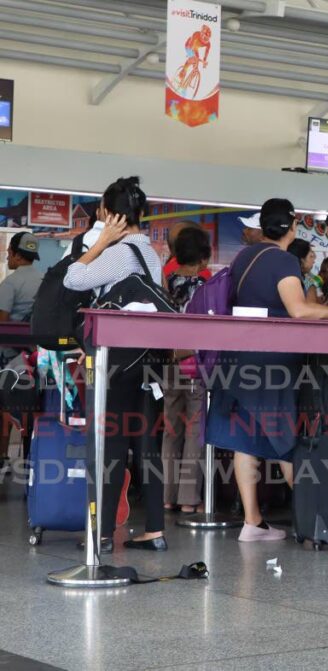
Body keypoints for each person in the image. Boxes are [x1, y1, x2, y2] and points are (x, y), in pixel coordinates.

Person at [206, 198, 328, 542]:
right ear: (293, 227)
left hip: (239, 356)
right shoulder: (284, 260)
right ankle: (317, 522)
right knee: (286, 437)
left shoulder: (245, 256)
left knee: (246, 438)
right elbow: (298, 310)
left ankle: (252, 522)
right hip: (271, 362)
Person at [63, 176, 168, 552]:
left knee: (110, 444)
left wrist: (102, 241)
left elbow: (73, 278)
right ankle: (155, 529)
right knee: (146, 445)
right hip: (148, 362)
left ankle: (102, 533)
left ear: (109, 214)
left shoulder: (120, 253)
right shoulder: (151, 254)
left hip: (118, 362)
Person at [162, 226, 212, 513]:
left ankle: (166, 496)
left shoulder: (164, 283)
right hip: (194, 364)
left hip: (168, 362)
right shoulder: (205, 288)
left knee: (171, 430)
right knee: (194, 430)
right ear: (203, 259)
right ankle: (188, 500)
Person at [0, 232, 43, 325]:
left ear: (18, 256)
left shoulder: (10, 282)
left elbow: (2, 322)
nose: (7, 258)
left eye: (9, 252)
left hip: (14, 337)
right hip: (38, 336)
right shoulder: (44, 279)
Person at [286, 238, 320, 303]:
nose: (314, 260)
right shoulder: (303, 283)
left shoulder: (284, 275)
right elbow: (309, 308)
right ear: (302, 260)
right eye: (311, 256)